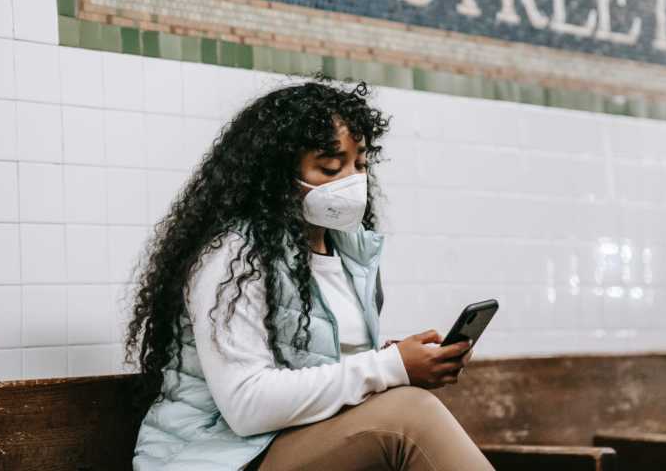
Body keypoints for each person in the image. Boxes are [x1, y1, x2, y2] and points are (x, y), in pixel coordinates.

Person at [125, 78, 494, 470]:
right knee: (410, 416)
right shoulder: (233, 257)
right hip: (217, 458)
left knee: (408, 410)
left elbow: (323, 370)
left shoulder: (350, 252)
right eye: (331, 167)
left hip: (290, 445)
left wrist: (391, 362)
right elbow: (247, 405)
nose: (352, 181)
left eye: (360, 165)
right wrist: (389, 368)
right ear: (276, 174)